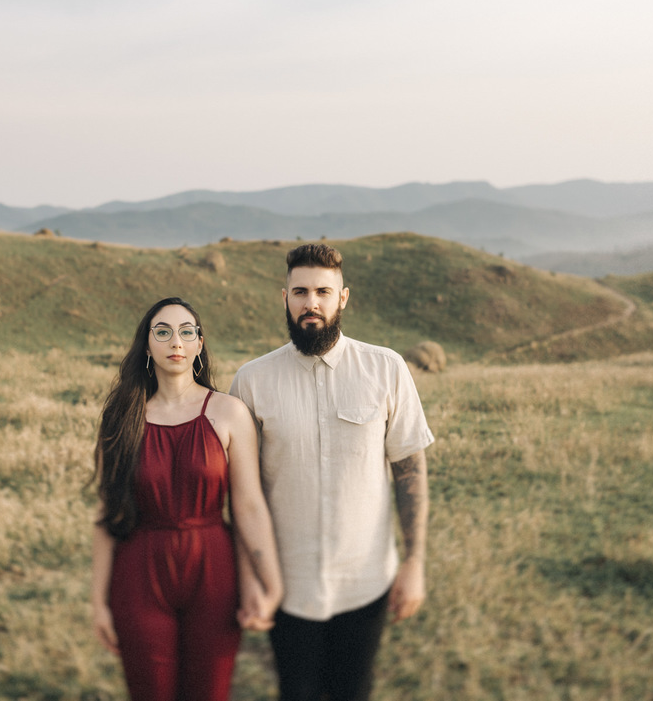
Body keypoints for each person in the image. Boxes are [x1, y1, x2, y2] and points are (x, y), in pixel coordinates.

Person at [229, 243, 434, 701]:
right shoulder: (251, 381)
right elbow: (241, 494)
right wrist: (249, 578)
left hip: (365, 583)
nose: (311, 303)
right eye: (300, 292)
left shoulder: (386, 369)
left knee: (353, 692)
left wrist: (415, 562)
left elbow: (409, 471)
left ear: (343, 298)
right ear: (285, 297)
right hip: (287, 584)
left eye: (324, 291)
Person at [91, 297, 284, 701]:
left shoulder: (229, 413)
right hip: (139, 571)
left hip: (214, 570)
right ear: (147, 346)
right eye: (162, 332)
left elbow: (247, 505)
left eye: (186, 331)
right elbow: (108, 511)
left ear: (199, 344)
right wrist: (98, 601)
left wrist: (270, 583)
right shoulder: (123, 416)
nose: (175, 341)